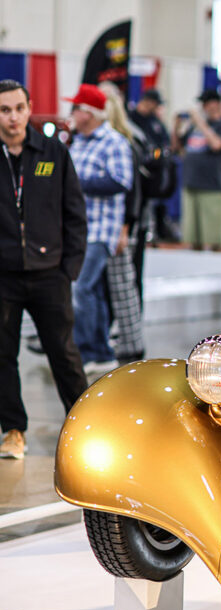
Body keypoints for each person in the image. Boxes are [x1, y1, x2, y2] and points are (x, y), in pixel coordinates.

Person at [0, 79, 88, 459]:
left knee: (63, 353)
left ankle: (86, 424)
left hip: (50, 273)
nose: (12, 117)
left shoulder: (53, 153)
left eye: (18, 108)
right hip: (4, 277)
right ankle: (13, 431)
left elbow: (75, 213)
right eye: (4, 110)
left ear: (30, 108)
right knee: (3, 355)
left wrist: (69, 268)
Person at [66, 83, 134, 375]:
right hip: (77, 228)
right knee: (88, 290)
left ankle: (88, 349)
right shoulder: (78, 140)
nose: (71, 112)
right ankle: (100, 350)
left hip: (101, 229)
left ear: (88, 113)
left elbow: (121, 181)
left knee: (81, 288)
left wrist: (77, 183)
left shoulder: (114, 142)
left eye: (76, 107)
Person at [98, 81, 145, 364]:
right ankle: (117, 338)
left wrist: (126, 228)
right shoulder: (120, 138)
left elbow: (133, 191)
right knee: (107, 286)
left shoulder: (123, 141)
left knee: (122, 285)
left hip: (122, 226)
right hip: (115, 224)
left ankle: (131, 343)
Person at [176, 89, 221, 251]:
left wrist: (200, 123)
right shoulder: (194, 127)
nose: (203, 107)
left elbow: (217, 145)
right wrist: (176, 125)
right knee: (192, 238)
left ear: (215, 104)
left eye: (205, 103)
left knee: (213, 238)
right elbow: (179, 149)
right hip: (191, 183)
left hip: (212, 186)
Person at [129, 88, 173, 243]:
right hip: (135, 173)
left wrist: (156, 156)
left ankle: (148, 232)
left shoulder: (155, 122)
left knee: (147, 211)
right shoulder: (131, 119)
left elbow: (164, 146)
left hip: (152, 175)